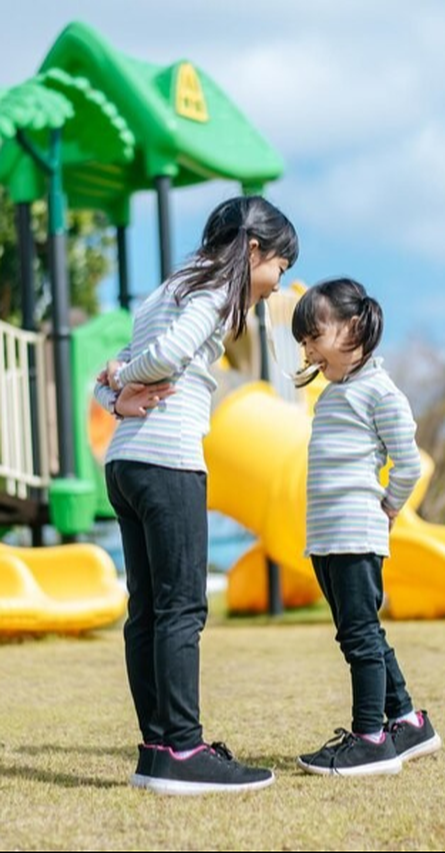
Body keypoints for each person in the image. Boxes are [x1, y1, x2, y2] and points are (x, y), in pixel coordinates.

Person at [94, 195, 299, 795]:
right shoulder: (213, 294)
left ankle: (157, 747)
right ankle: (183, 749)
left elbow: (124, 367)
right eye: (278, 268)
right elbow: (162, 358)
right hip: (169, 462)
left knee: (148, 611)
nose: (275, 283)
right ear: (253, 249)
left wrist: (116, 393)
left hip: (126, 462)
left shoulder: (166, 290)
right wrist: (125, 380)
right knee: (182, 609)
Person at [291, 277, 442, 777]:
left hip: (358, 534)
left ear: (353, 328)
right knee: (359, 633)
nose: (309, 348)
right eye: (305, 340)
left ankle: (369, 738)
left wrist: (390, 508)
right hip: (327, 537)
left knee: (359, 636)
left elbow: (408, 464)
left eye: (315, 334)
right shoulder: (332, 394)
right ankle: (407, 721)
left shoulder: (380, 390)